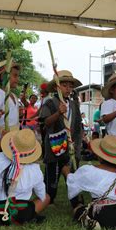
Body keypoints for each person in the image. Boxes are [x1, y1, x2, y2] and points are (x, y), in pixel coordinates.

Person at [65, 135, 116, 230]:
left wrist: (67, 172)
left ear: (100, 156)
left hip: (101, 214)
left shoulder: (89, 170)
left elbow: (72, 184)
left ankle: (90, 220)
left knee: (78, 209)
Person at [0, 129, 50, 225]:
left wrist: (2, 138)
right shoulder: (35, 170)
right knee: (46, 197)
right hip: (21, 214)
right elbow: (41, 195)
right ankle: (22, 216)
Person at [39, 70, 83, 203]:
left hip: (71, 146)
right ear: (56, 87)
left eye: (70, 86)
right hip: (54, 146)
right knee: (52, 176)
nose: (68, 89)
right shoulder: (50, 103)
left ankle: (76, 201)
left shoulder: (74, 104)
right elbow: (45, 122)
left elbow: (77, 124)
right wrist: (58, 113)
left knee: (72, 174)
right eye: (64, 85)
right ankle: (49, 198)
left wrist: (79, 141)